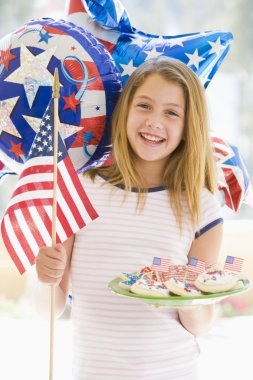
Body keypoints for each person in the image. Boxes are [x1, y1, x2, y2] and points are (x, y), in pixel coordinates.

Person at [35, 57, 223, 380]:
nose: (154, 121)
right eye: (144, 106)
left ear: (188, 126)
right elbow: (47, 309)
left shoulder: (201, 207)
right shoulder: (81, 190)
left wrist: (189, 297)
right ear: (124, 111)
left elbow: (202, 324)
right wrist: (44, 276)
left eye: (171, 113)